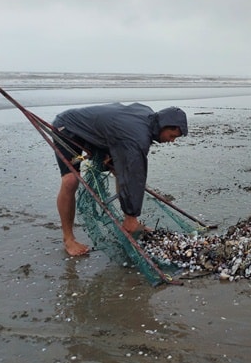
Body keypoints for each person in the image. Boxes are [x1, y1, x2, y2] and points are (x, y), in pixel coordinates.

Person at [52, 103, 188, 256]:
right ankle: (69, 239)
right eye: (172, 136)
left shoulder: (149, 117)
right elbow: (134, 174)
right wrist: (132, 214)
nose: (172, 141)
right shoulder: (138, 136)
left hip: (99, 134)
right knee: (70, 181)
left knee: (119, 169)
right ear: (165, 126)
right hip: (68, 127)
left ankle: (128, 220)